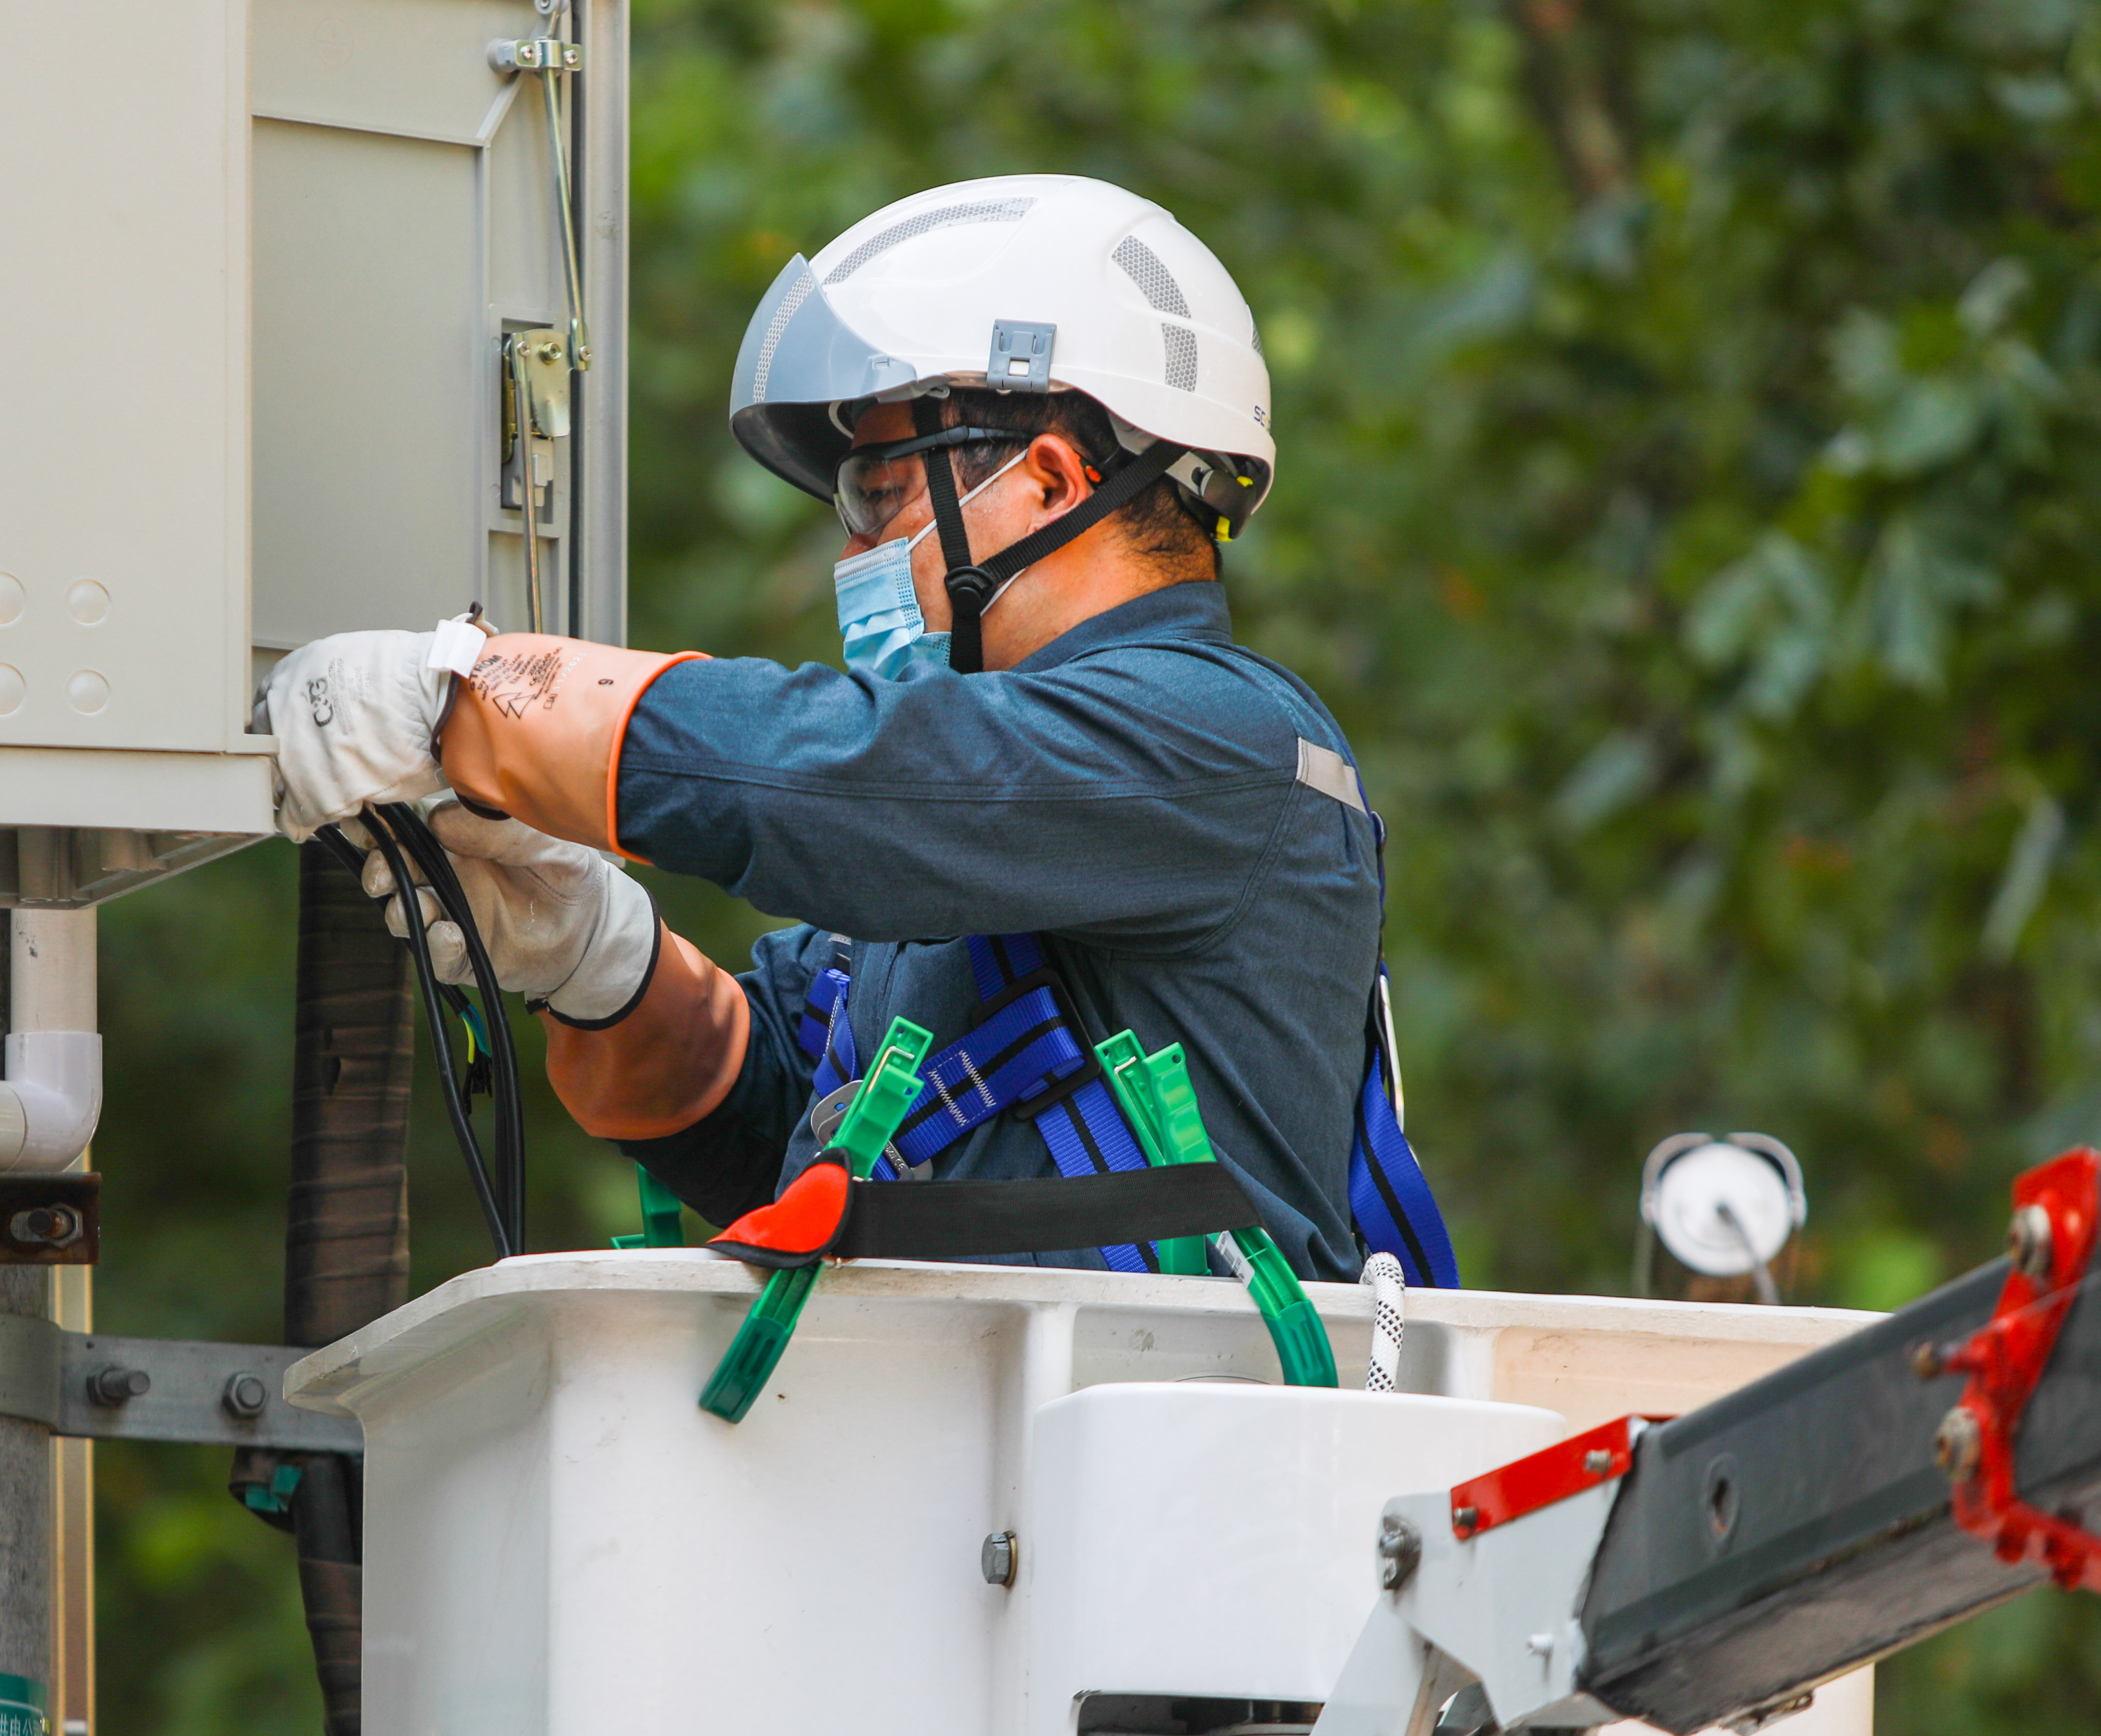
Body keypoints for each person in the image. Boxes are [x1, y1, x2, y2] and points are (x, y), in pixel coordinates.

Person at [261, 174, 1452, 1285]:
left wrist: (467, 692)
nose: (853, 553)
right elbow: (755, 1099)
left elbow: (837, 771)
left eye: (877, 493)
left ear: (1047, 478)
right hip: (956, 1475)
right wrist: (598, 962)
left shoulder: (1215, 739)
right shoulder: (972, 852)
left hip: (1154, 1481)